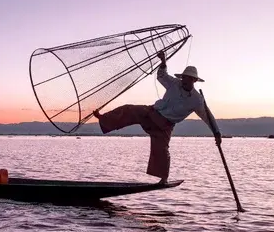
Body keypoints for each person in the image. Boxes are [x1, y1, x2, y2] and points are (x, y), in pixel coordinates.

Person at [93, 51, 221, 184]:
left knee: (161, 150)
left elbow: (208, 117)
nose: (185, 80)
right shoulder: (175, 83)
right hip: (152, 112)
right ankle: (104, 119)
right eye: (184, 77)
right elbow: (161, 76)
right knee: (128, 110)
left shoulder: (197, 100)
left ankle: (163, 179)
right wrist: (163, 61)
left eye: (189, 79)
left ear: (194, 80)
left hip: (165, 125)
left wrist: (217, 133)